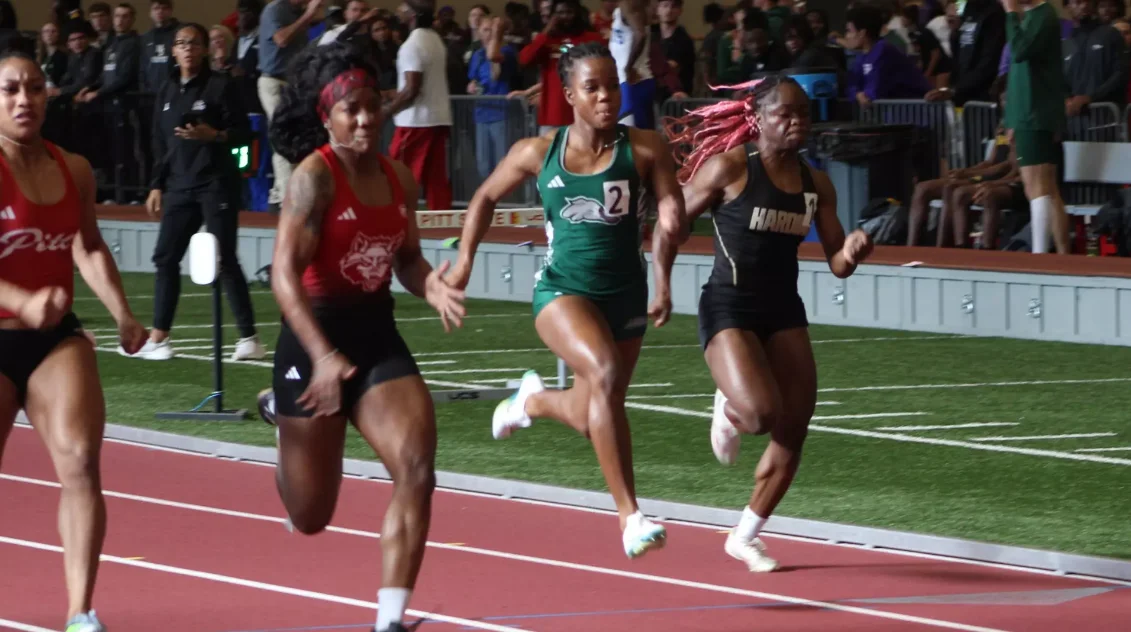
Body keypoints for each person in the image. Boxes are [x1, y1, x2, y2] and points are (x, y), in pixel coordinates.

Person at [446, 42, 687, 560]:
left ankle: (530, 402)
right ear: (570, 94)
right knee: (603, 373)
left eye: (612, 86)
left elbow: (671, 207)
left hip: (626, 293)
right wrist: (465, 261)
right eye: (592, 88)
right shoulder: (539, 152)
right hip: (562, 292)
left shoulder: (646, 147)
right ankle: (630, 517)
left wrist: (667, 251)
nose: (605, 97)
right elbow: (484, 197)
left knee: (591, 412)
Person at [265, 42, 466, 632]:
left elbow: (406, 259)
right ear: (327, 118)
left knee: (417, 468)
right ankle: (282, 418)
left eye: (372, 105)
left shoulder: (398, 177)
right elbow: (282, 275)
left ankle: (390, 619)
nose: (364, 119)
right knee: (310, 515)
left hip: (375, 333)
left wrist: (431, 286)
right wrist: (323, 356)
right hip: (313, 338)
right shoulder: (314, 179)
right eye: (350, 109)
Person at [666, 74, 873, 572]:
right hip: (729, 306)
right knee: (759, 416)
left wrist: (852, 250)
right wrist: (657, 282)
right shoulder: (731, 168)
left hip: (783, 310)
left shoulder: (816, 183)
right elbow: (672, 223)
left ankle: (745, 536)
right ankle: (730, 406)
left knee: (793, 426)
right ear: (758, 119)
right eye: (785, 114)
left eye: (803, 114)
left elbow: (837, 263)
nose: (797, 122)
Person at [0, 41, 147, 632]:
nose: (24, 99)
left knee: (82, 461)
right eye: (11, 89)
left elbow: (87, 246)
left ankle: (80, 612)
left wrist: (123, 313)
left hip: (54, 340)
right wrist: (21, 300)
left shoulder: (74, 168)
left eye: (35, 88)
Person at [128, 23, 264, 361]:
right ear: (173, 51)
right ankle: (159, 337)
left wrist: (214, 135)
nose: (187, 48)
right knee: (165, 257)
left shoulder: (222, 86)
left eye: (194, 43)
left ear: (204, 49)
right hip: (178, 185)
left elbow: (245, 134)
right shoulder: (166, 90)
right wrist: (156, 184)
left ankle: (249, 338)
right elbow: (160, 144)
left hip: (216, 182)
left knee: (224, 257)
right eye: (181, 43)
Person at [1002, 0, 1068, 254]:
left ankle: (1040, 256)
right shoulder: (1034, 16)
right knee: (1047, 188)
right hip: (1027, 112)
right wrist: (1011, 118)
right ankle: (1061, 255)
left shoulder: (1042, 15)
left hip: (1035, 112)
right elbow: (1017, 73)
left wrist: (1011, 14)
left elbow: (1019, 51)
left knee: (1037, 187)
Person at [609, 0, 654, 128]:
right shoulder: (627, 6)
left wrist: (628, 67)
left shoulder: (629, 4)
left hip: (632, 81)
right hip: (630, 80)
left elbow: (641, 34)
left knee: (630, 135)